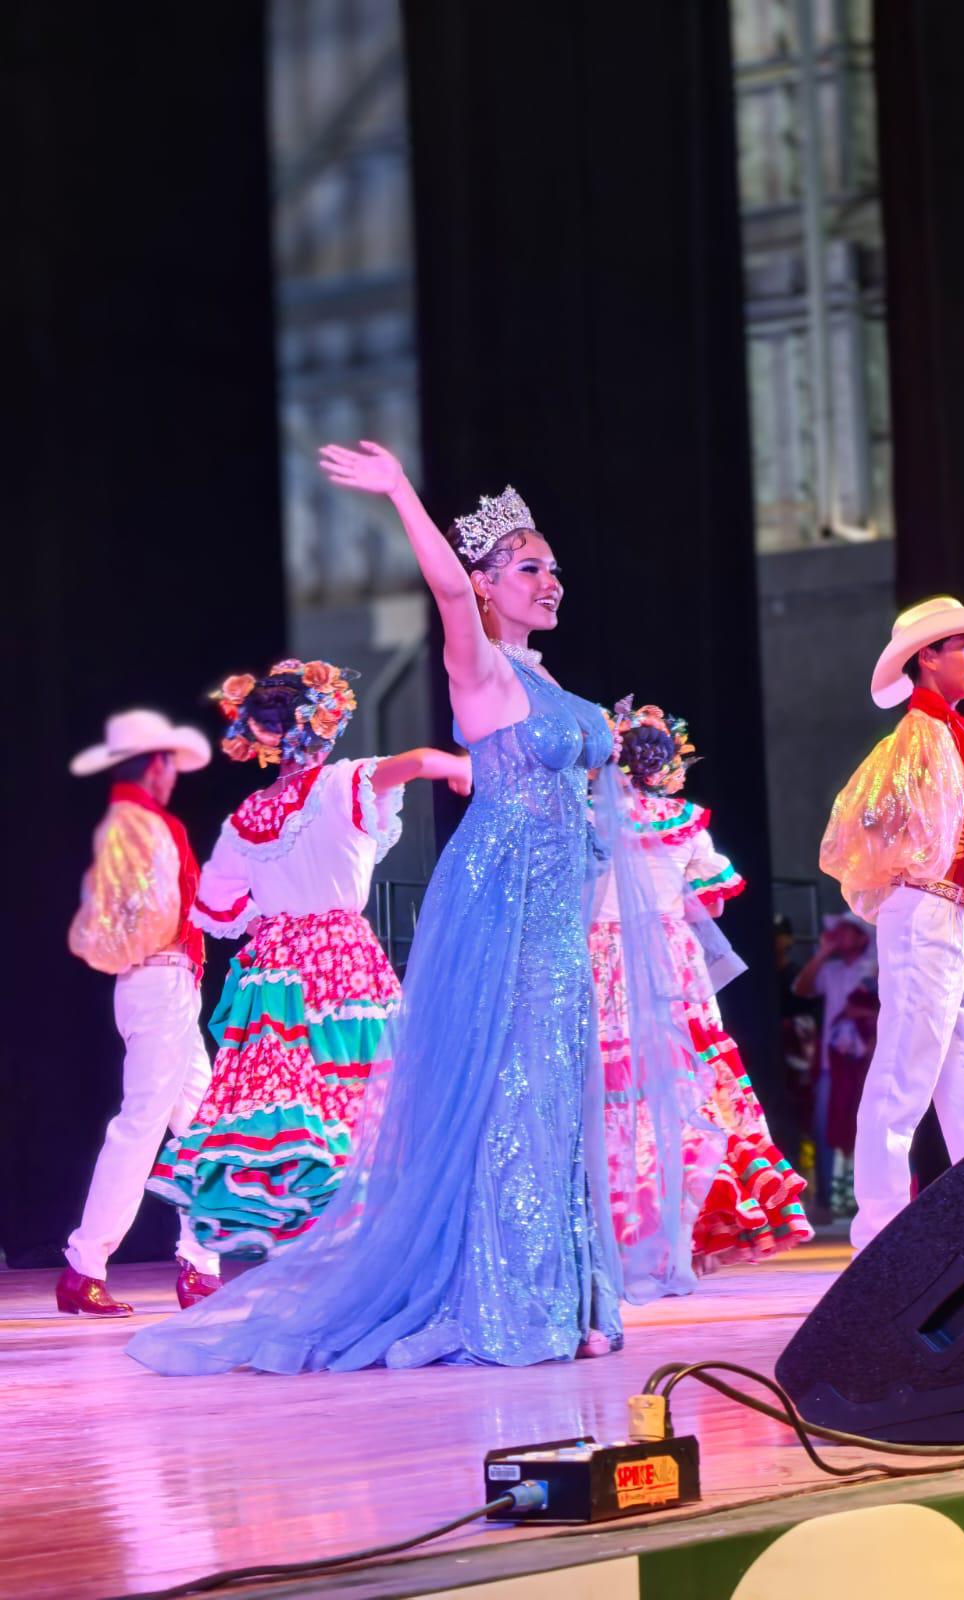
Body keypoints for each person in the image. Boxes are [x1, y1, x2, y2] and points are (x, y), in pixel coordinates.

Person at [129, 447, 626, 1375]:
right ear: (486, 586)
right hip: (505, 902)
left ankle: (565, 1295)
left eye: (554, 568)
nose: (551, 581)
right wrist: (401, 491)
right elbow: (445, 592)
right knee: (511, 1091)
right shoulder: (482, 668)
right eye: (529, 568)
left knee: (555, 1089)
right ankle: (506, 1298)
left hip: (558, 914)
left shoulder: (550, 685)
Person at [147, 659, 470, 1259]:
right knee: (362, 1092)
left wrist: (271, 917)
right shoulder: (344, 783)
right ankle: (365, 1243)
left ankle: (314, 1239)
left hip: (275, 972)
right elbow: (422, 760)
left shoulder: (247, 816)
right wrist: (463, 767)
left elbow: (213, 905)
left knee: (291, 1103)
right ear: (322, 724)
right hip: (340, 959)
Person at [819, 596, 964, 1250]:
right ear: (927, 657)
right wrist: (905, 862)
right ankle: (878, 1231)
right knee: (905, 1069)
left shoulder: (950, 735)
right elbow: (858, 826)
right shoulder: (915, 737)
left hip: (950, 915)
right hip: (925, 908)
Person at [590, 700, 811, 1290]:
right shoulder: (685, 822)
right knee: (685, 1086)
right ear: (664, 766)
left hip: (605, 959)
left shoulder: (589, 818)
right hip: (668, 960)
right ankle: (679, 1233)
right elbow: (708, 905)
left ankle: (619, 1236)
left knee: (615, 1088)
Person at [60, 709, 220, 1316]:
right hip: (159, 980)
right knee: (143, 1124)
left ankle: (199, 1264)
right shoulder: (141, 823)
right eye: (168, 765)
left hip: (163, 982)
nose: (173, 775)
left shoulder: (136, 821)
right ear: (154, 765)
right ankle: (85, 1263)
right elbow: (152, 912)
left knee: (203, 1123)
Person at [791, 912, 877, 1222]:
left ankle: (870, 1202)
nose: (838, 935)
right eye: (836, 931)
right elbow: (800, 990)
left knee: (870, 1129)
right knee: (825, 1128)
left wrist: (865, 1015)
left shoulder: (876, 967)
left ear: (862, 937)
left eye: (846, 931)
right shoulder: (831, 970)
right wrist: (823, 953)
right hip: (832, 1065)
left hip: (868, 1063)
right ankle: (826, 1199)